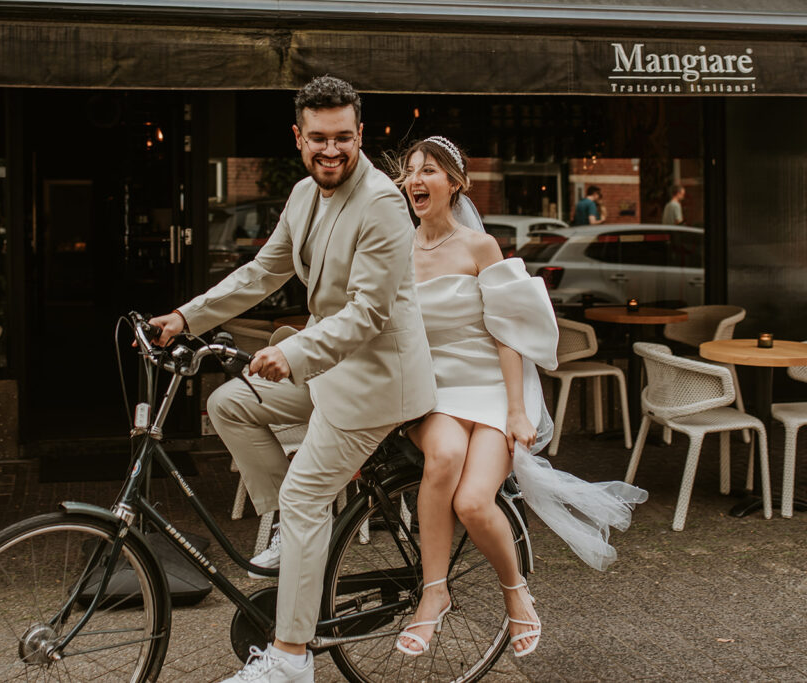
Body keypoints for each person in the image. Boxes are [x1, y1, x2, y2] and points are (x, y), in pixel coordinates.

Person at [148, 76, 436, 683]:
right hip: (326, 366)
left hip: (374, 380)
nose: (330, 150)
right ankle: (287, 529)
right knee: (229, 404)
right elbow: (262, 272)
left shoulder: (382, 204)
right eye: (317, 139)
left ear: (359, 135)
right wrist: (185, 316)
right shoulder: (305, 194)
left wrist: (296, 352)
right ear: (298, 137)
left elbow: (368, 312)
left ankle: (290, 659)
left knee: (309, 497)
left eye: (342, 138)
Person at [391, 136, 647, 658]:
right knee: (442, 458)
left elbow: (507, 331)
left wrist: (514, 409)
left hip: (489, 387)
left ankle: (516, 594)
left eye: (429, 171)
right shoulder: (395, 246)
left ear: (455, 184)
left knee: (472, 501)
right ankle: (432, 594)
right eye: (410, 171)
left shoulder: (479, 247)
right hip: (435, 389)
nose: (416, 180)